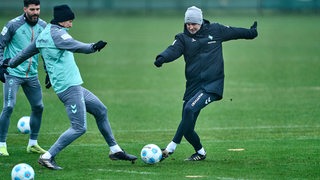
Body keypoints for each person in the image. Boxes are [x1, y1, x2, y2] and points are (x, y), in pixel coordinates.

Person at [2, 4, 137, 170]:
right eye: (70, 21)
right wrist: (93, 47)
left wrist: (9, 63)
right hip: (68, 87)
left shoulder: (43, 34)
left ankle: (115, 150)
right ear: (62, 21)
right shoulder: (58, 34)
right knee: (79, 127)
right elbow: (76, 46)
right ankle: (47, 156)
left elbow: (24, 54)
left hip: (73, 85)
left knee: (101, 110)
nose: (71, 24)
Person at [154, 6, 258, 161]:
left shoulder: (216, 30)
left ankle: (170, 148)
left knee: (189, 108)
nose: (191, 27)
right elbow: (173, 49)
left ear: (201, 22)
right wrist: (162, 58)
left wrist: (252, 33)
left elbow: (235, 32)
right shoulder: (183, 38)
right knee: (187, 128)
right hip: (193, 86)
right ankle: (200, 152)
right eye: (188, 24)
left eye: (194, 23)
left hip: (212, 85)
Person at [0, 0, 47, 156]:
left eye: (38, 9)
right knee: (9, 106)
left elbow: (47, 50)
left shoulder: (43, 26)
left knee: (39, 107)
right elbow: (0, 44)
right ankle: (1, 144)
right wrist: (1, 65)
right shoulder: (13, 25)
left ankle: (32, 144)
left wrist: (48, 71)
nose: (35, 12)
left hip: (31, 75)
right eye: (32, 9)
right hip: (12, 73)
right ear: (25, 9)